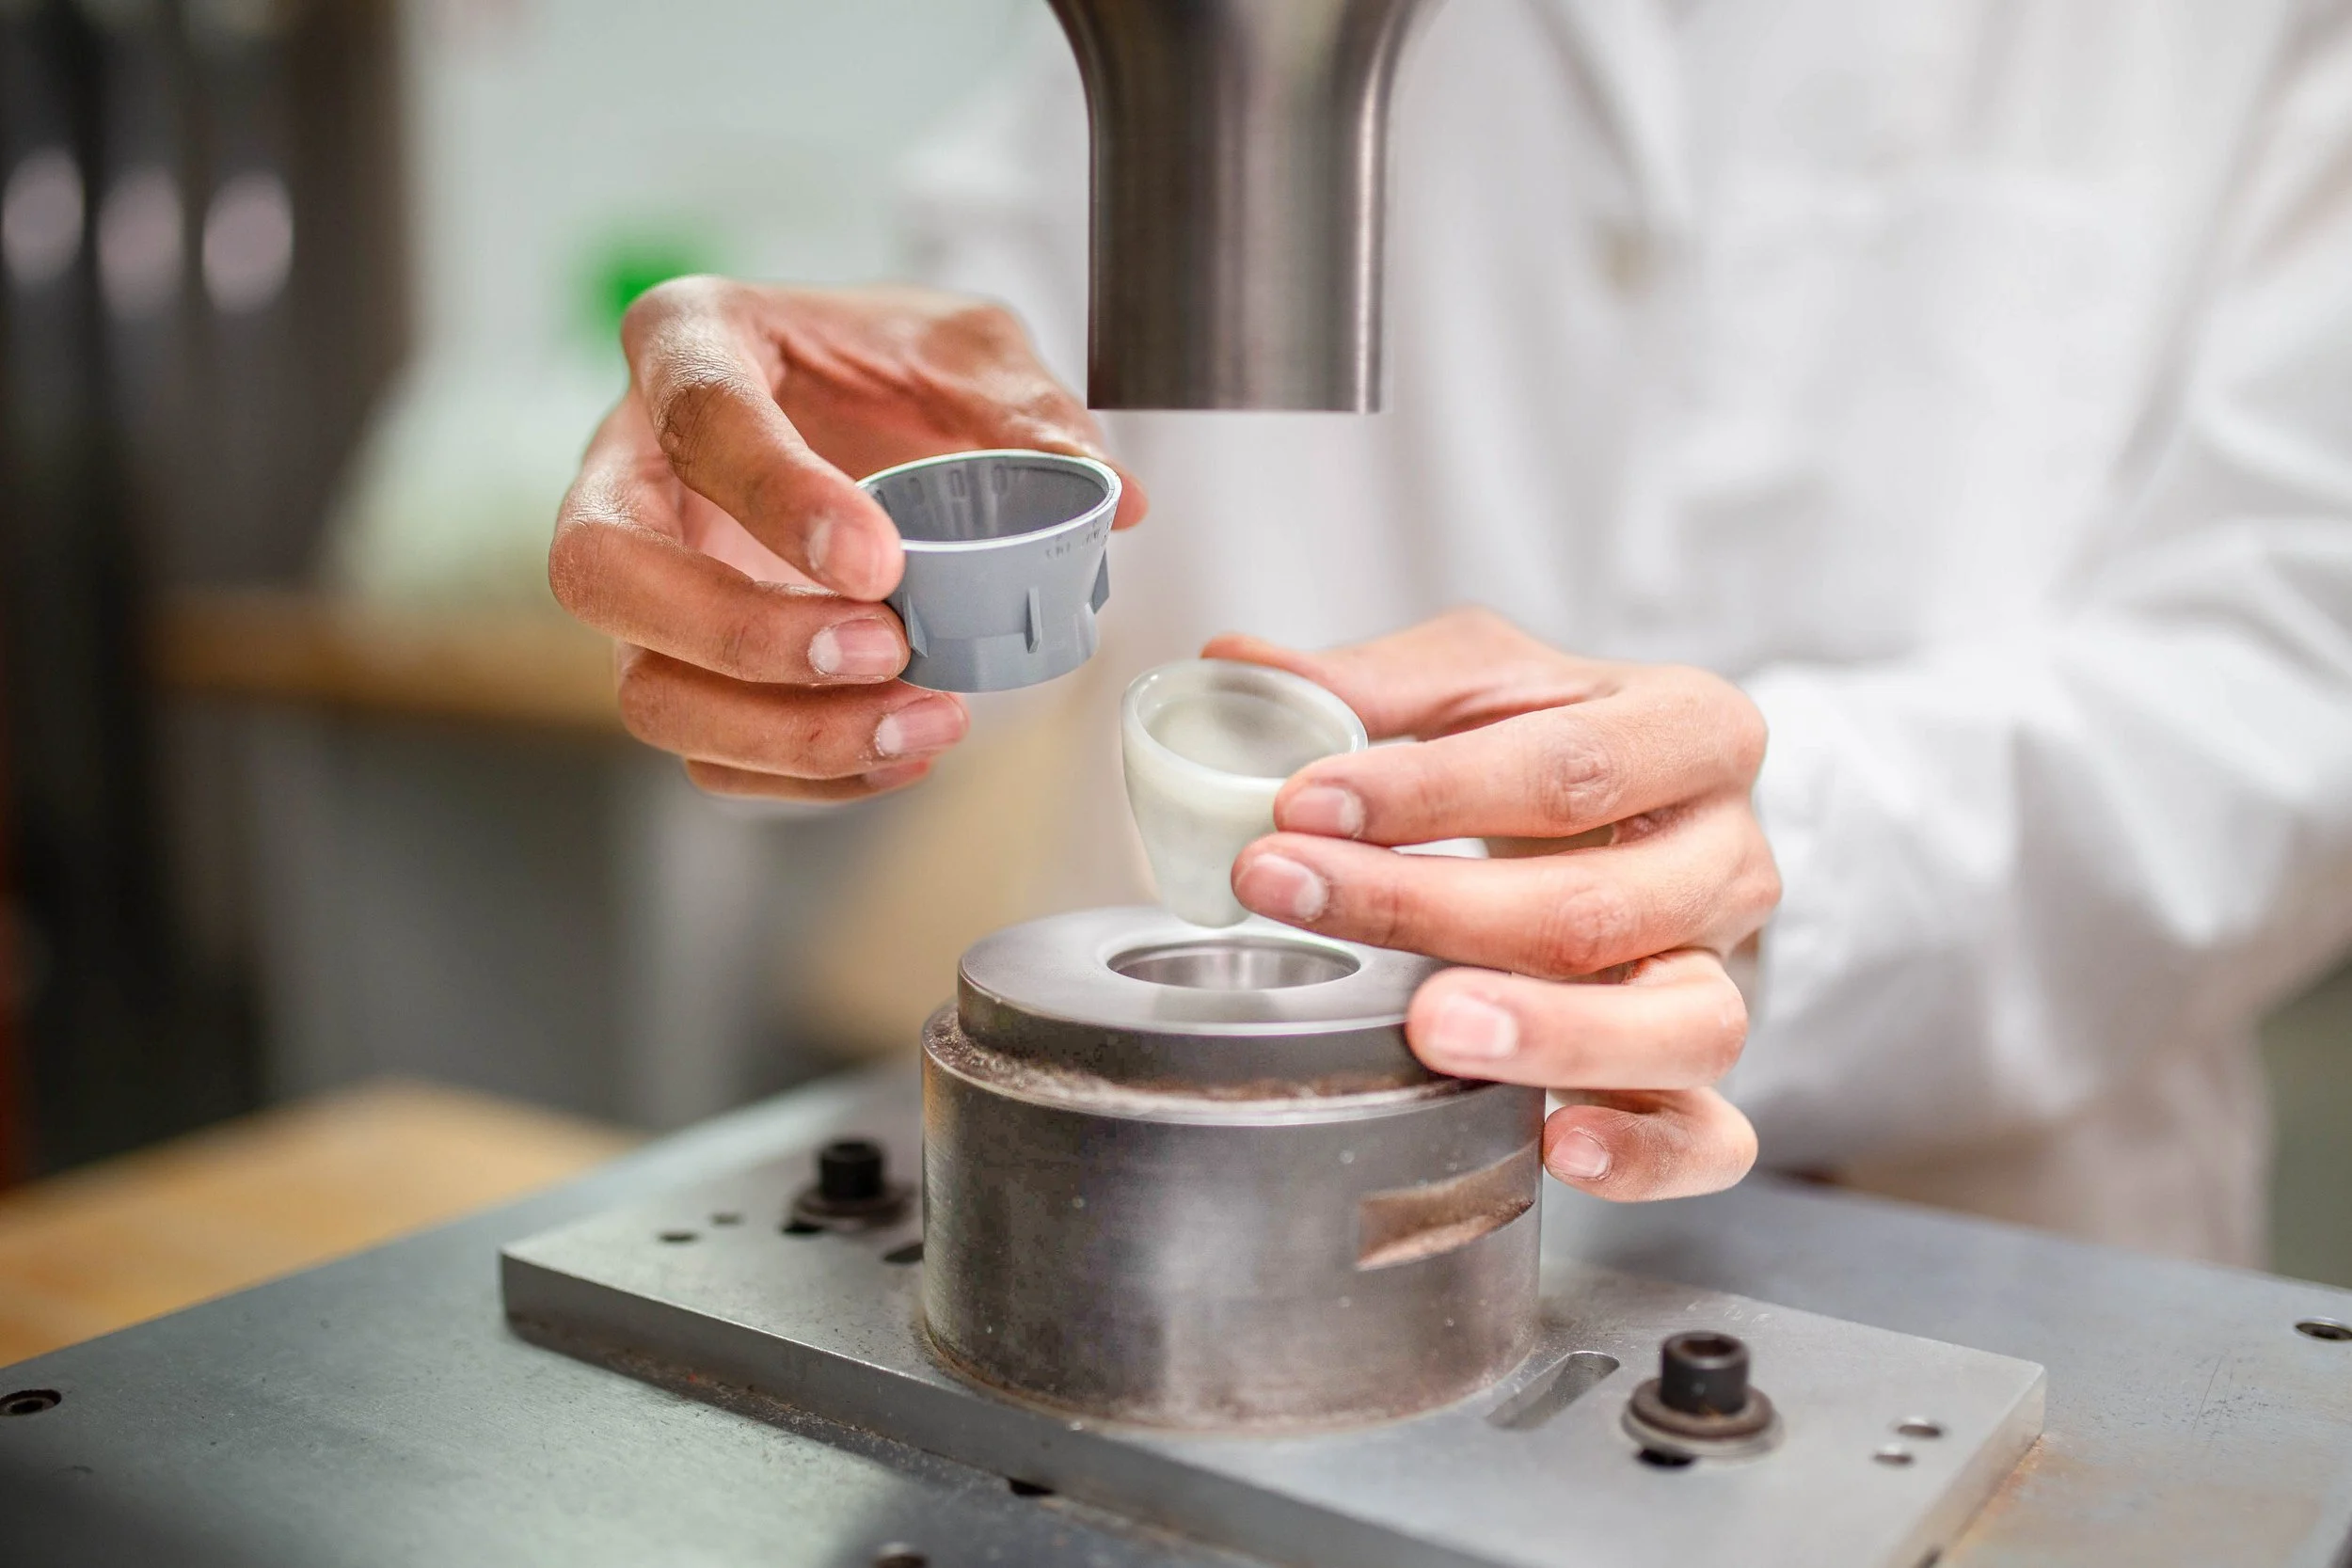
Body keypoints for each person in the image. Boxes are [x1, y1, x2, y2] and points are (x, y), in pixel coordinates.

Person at [548, 0, 2352, 1264]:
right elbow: (1002, 359)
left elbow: (2294, 675)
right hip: (1202, 1234)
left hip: (1978, 1231)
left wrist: (1775, 860)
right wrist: (813, 528)